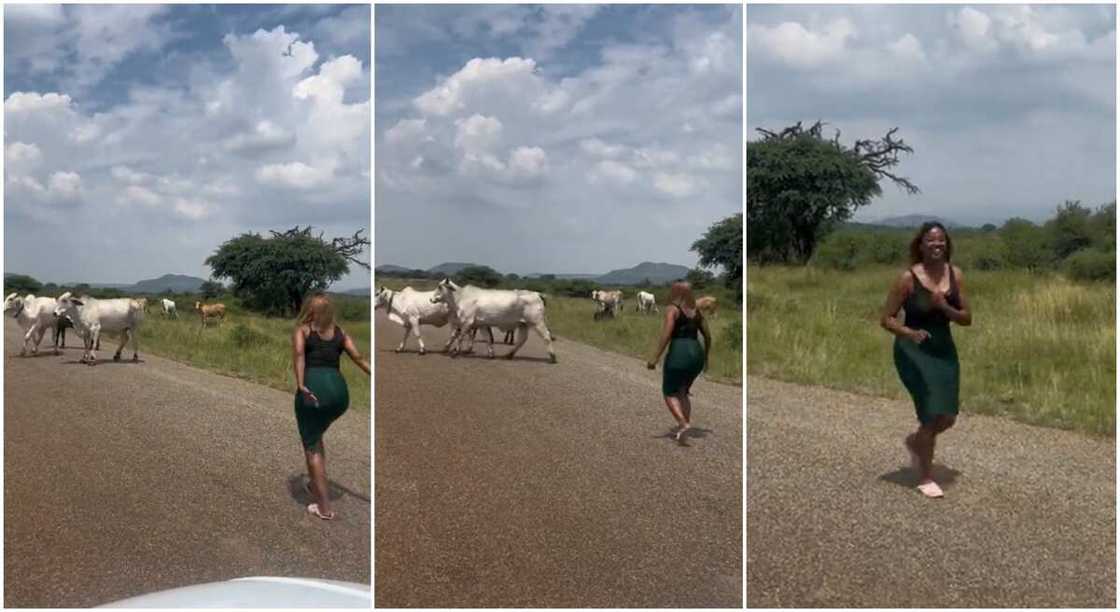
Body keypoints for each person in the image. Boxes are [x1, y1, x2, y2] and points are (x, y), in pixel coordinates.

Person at [880, 222, 972, 498]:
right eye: (931, 241)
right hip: (913, 351)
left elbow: (967, 318)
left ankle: (916, 442)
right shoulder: (907, 278)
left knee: (948, 416)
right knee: (932, 414)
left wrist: (944, 306)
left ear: (947, 244)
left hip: (943, 350)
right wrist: (909, 332)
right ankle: (925, 476)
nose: (936, 245)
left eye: (941, 241)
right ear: (920, 245)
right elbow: (886, 319)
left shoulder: (955, 275)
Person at [292, 293, 370, 519]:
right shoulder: (340, 332)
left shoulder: (303, 331)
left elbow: (299, 355)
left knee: (311, 445)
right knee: (316, 435)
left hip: (315, 390)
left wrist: (300, 385)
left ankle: (324, 507)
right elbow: (358, 358)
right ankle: (315, 485)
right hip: (340, 394)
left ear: (309, 310)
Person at [647, 281, 711, 442]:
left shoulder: (672, 309)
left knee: (668, 391)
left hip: (679, 352)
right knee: (682, 390)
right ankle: (686, 424)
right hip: (697, 353)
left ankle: (682, 423)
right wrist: (706, 357)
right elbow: (708, 336)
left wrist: (655, 357)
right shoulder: (696, 312)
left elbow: (667, 334)